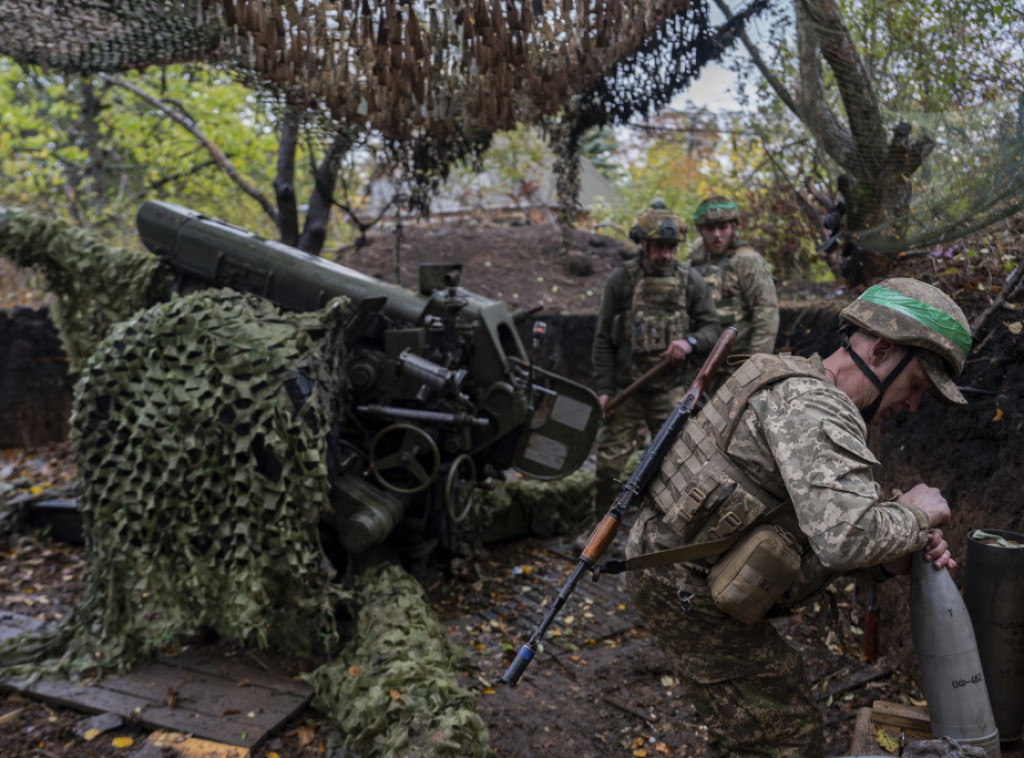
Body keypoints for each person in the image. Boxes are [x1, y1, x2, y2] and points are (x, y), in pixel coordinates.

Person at [625, 277, 971, 756]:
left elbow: (813, 526)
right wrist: (915, 516)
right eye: (916, 384)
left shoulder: (799, 382)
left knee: (759, 722)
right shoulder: (816, 409)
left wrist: (892, 559)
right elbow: (844, 539)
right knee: (783, 737)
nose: (914, 404)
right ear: (882, 352)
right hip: (683, 585)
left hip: (680, 566)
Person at [582, 201, 721, 550]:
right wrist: (603, 389)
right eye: (658, 247)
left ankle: (670, 535)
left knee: (678, 462)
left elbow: (713, 329)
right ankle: (600, 535)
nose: (665, 254)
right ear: (643, 245)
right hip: (627, 389)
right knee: (609, 462)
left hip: (670, 389)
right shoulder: (621, 282)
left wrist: (689, 342)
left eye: (671, 248)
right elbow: (602, 340)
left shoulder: (690, 281)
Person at [689, 194, 780, 376]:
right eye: (710, 228)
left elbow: (766, 315)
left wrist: (755, 367)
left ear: (733, 226)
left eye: (722, 227)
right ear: (700, 230)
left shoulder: (747, 261)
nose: (716, 235)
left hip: (738, 366)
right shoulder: (693, 264)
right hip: (700, 365)